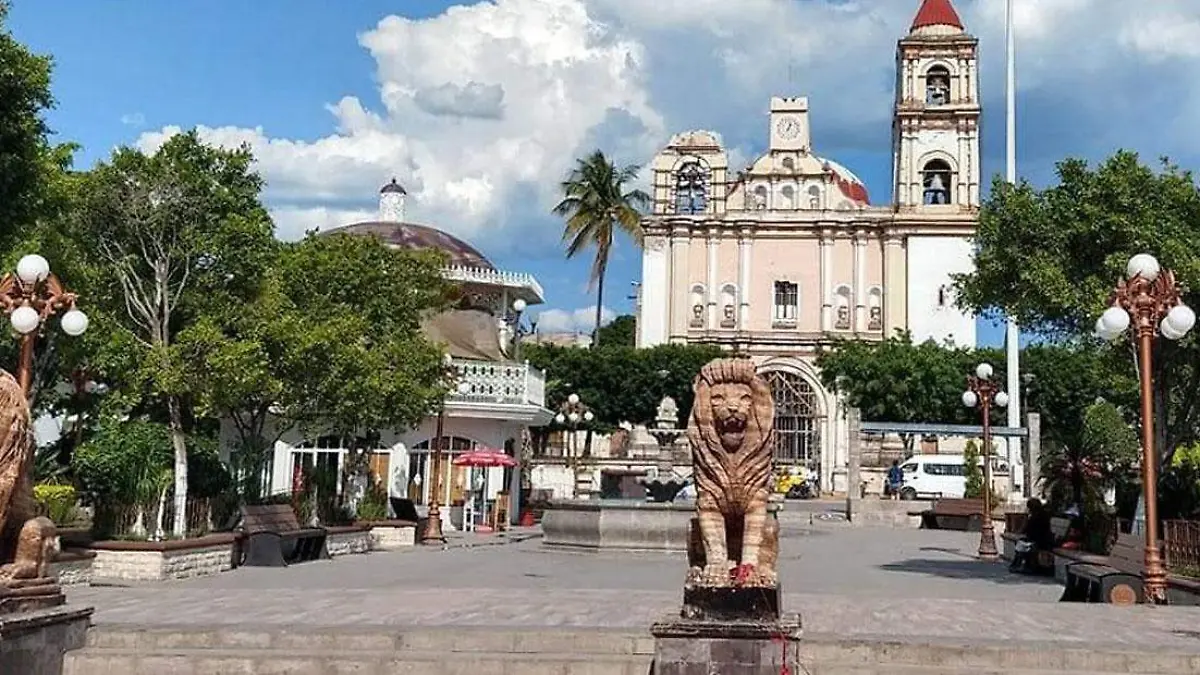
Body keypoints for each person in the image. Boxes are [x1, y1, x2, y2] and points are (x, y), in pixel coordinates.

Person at [1009, 498, 1055, 574]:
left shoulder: (1040, 517)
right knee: (1021, 543)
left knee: (1024, 544)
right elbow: (1027, 530)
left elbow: (1029, 530)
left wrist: (1026, 521)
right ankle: (1020, 565)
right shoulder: (1036, 516)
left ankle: (1023, 565)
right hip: (1036, 539)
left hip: (1042, 541)